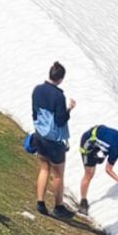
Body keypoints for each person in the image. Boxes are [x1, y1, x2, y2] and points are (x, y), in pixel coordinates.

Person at [29, 62, 76, 219]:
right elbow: (61, 120)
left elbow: (34, 113)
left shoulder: (37, 90)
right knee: (58, 174)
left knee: (44, 168)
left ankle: (40, 203)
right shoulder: (58, 96)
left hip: (40, 136)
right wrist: (69, 109)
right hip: (54, 141)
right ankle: (58, 207)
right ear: (61, 79)